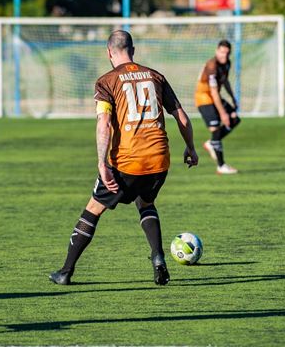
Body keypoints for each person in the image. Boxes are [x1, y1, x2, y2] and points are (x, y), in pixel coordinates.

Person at [49, 30, 198, 286]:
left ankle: (65, 271)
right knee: (146, 203)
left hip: (127, 162)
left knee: (93, 209)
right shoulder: (156, 76)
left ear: (109, 52)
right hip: (159, 159)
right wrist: (191, 148)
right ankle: (158, 257)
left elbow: (104, 123)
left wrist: (101, 163)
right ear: (133, 50)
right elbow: (181, 116)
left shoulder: (106, 81)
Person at [195, 40, 241, 175]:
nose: (224, 55)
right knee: (216, 128)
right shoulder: (211, 66)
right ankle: (221, 166)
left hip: (214, 97)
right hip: (204, 98)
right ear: (217, 51)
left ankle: (212, 143)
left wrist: (233, 97)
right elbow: (214, 92)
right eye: (222, 52)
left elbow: (225, 81)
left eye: (227, 53)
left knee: (235, 119)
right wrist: (223, 114)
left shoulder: (227, 63)